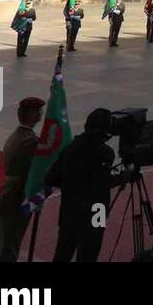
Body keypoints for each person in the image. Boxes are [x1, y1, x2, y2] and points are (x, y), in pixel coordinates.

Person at [46, 107, 117, 263]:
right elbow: (102, 182)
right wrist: (122, 177)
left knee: (63, 254)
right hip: (96, 214)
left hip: (70, 212)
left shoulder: (71, 148)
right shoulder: (105, 153)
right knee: (89, 255)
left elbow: (52, 177)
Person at [0, 96, 44, 262]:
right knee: (10, 246)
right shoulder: (30, 141)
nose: (41, 114)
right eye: (38, 111)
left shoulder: (17, 135)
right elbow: (30, 173)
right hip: (17, 199)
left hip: (8, 195)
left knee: (2, 244)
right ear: (31, 114)